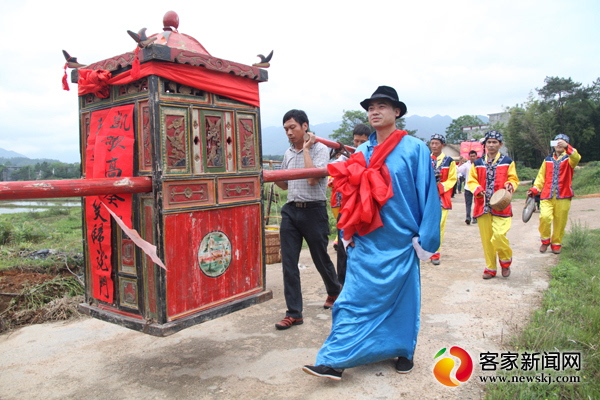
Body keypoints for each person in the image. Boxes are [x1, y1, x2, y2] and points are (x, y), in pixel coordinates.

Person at [302, 85, 441, 380]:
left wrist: (425, 240)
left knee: (402, 301)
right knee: (351, 300)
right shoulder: (362, 152)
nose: (375, 111)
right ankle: (333, 360)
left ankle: (403, 350)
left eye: (382, 106)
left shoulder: (415, 149)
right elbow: (350, 193)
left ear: (397, 112)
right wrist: (347, 232)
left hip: (402, 241)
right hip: (366, 240)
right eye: (371, 107)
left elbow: (428, 195)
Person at [274, 109, 341, 330]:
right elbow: (285, 184)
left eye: (292, 127)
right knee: (289, 262)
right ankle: (294, 313)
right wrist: (272, 177)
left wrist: (306, 149)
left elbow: (313, 179)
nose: (289, 132)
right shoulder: (287, 153)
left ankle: (334, 291)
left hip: (314, 211)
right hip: (291, 211)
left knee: (320, 257)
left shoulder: (321, 150)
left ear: (305, 126)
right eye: (286, 129)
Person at [467, 131, 519, 279]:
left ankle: (505, 260)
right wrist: (477, 189)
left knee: (498, 235)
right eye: (488, 142)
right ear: (485, 145)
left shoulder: (508, 162)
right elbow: (471, 180)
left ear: (500, 145)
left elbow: (513, 179)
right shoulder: (477, 163)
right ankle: (490, 267)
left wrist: (510, 185)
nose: (491, 145)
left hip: (502, 206)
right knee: (486, 239)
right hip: (482, 206)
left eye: (494, 142)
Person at [330, 124, 371, 286]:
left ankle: (362, 284)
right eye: (356, 141)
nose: (358, 144)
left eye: (363, 141)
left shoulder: (373, 155)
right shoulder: (345, 157)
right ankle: (342, 285)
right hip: (346, 207)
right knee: (343, 246)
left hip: (365, 207)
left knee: (364, 245)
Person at [527, 134, 581, 254]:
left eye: (562, 142)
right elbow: (540, 178)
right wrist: (534, 189)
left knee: (560, 221)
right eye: (557, 142)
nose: (559, 144)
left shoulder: (569, 159)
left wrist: (568, 147)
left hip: (564, 196)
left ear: (566, 145)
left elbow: (576, 157)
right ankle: (545, 240)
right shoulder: (547, 160)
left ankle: (556, 243)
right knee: (544, 217)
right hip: (547, 195)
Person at [429, 134, 457, 265]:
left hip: (442, 198)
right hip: (426, 198)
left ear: (443, 145)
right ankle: (424, 249)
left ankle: (435, 253)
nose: (434, 146)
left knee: (439, 225)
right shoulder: (425, 159)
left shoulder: (449, 161)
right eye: (432, 143)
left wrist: (440, 187)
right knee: (425, 224)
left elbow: (452, 179)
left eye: (437, 143)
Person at [459, 150, 478, 225]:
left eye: (474, 156)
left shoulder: (479, 164)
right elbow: (458, 170)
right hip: (468, 187)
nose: (472, 157)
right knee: (468, 203)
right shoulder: (466, 165)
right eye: (471, 156)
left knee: (477, 203)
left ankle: (475, 217)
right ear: (469, 157)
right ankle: (468, 217)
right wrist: (460, 162)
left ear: (476, 156)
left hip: (477, 187)